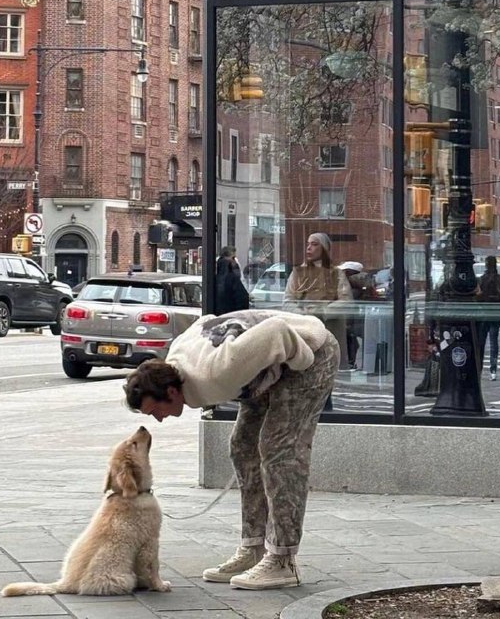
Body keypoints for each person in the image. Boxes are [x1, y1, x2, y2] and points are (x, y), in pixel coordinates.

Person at [123, 310, 339, 590]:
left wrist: (299, 363)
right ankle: (254, 549)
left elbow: (277, 330)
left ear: (173, 393)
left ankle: (283, 561)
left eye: (156, 410)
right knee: (242, 447)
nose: (158, 419)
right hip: (265, 370)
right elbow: (205, 320)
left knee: (280, 450)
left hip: (310, 353)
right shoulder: (177, 360)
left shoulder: (217, 372)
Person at [283, 233, 353, 369]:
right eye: (308, 244)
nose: (309, 248)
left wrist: (323, 311)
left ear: (324, 249)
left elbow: (347, 301)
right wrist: (303, 315)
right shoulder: (298, 273)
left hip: (330, 329)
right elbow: (287, 301)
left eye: (314, 244)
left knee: (329, 371)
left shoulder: (336, 273)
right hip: (304, 330)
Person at [476, 256, 500, 381]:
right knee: (493, 343)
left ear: (486, 265)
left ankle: (479, 369)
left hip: (483, 315)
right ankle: (493, 370)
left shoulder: (481, 280)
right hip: (495, 315)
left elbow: (476, 298)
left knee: (481, 343)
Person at [338, 261, 365, 369]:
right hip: (350, 321)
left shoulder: (351, 288)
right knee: (351, 342)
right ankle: (349, 362)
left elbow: (348, 306)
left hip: (350, 321)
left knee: (350, 342)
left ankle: (349, 362)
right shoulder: (353, 287)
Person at [215, 246, 249, 315]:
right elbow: (242, 298)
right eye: (233, 258)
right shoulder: (232, 278)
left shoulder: (215, 276)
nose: (235, 261)